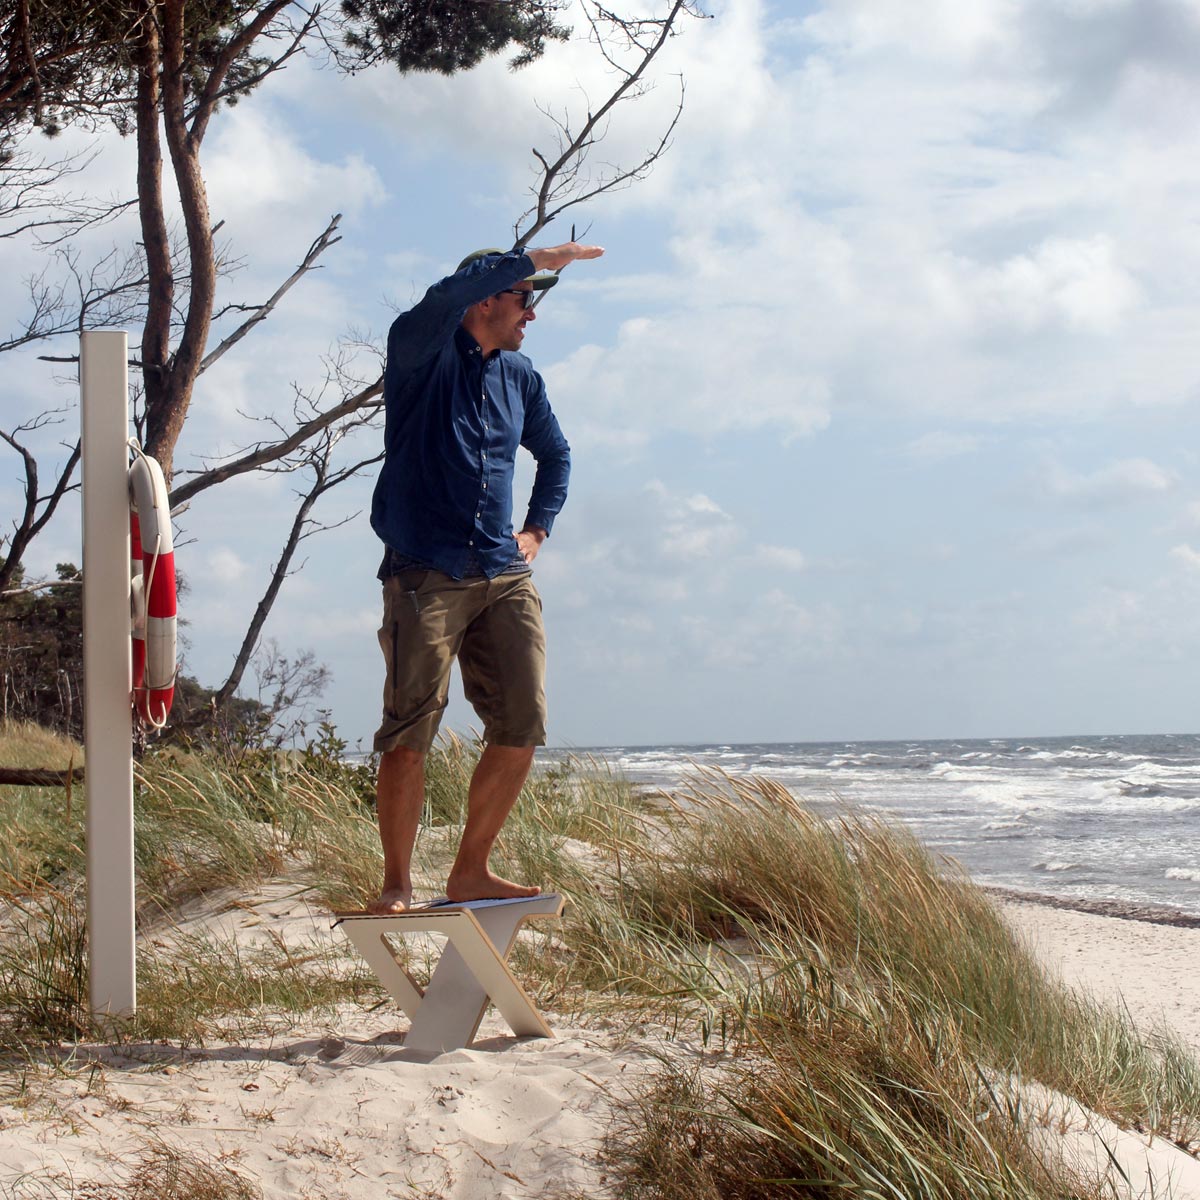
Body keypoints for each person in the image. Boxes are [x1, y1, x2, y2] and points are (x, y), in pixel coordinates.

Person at [367, 240, 605, 913]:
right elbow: (446, 296)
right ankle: (397, 885)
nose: (532, 313)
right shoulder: (419, 351)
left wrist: (537, 528)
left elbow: (556, 454)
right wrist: (538, 256)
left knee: (522, 722)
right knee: (409, 733)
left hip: (503, 571)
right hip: (425, 570)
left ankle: (471, 870)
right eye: (524, 297)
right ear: (486, 299)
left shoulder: (521, 377)